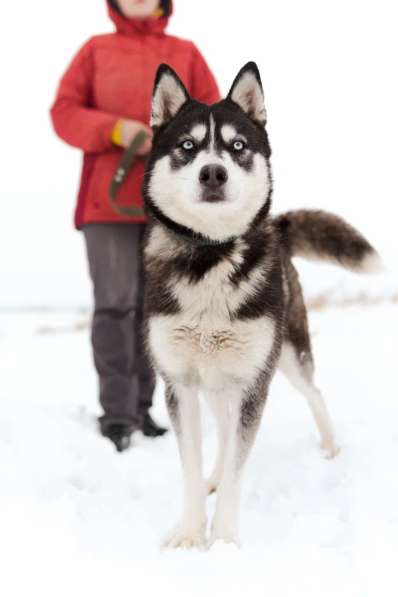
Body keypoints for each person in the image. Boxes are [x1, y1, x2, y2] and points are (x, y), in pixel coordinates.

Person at [50, 0, 220, 452]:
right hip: (107, 203)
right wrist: (115, 131)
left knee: (157, 309)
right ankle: (117, 413)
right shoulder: (95, 50)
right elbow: (63, 113)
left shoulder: (185, 52)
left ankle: (144, 408)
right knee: (115, 304)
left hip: (172, 206)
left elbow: (212, 118)